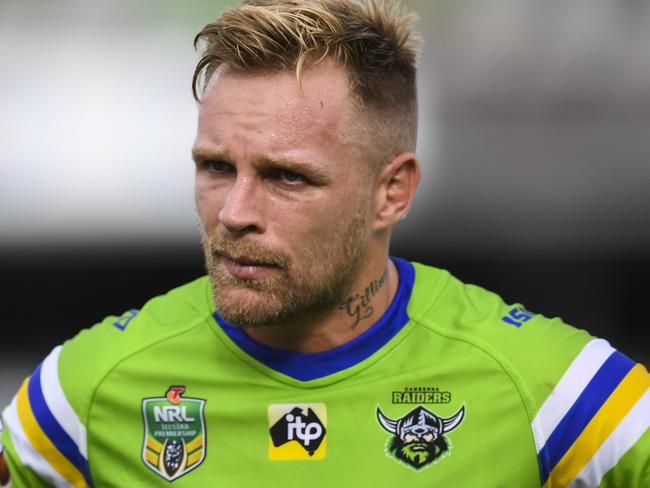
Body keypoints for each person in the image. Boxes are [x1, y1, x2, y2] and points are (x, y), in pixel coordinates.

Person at [1, 0, 648, 486]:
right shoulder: (83, 392)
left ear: (391, 192)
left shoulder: (553, 388)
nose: (234, 213)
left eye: (287, 176)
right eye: (216, 167)